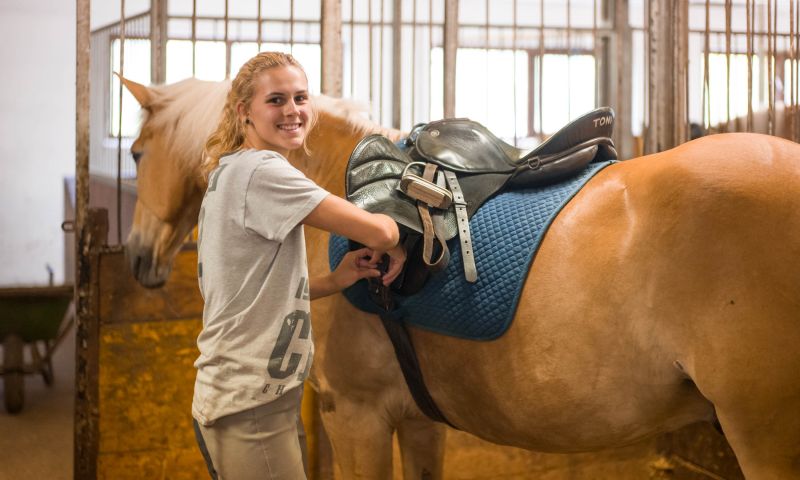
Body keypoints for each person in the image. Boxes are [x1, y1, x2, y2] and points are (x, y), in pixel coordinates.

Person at [191, 51, 405, 480]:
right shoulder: (265, 172)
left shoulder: (229, 170)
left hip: (246, 396)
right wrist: (400, 210)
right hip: (252, 405)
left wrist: (336, 279)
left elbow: (252, 292)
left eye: (301, 98)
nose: (292, 111)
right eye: (276, 100)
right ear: (243, 111)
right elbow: (381, 233)